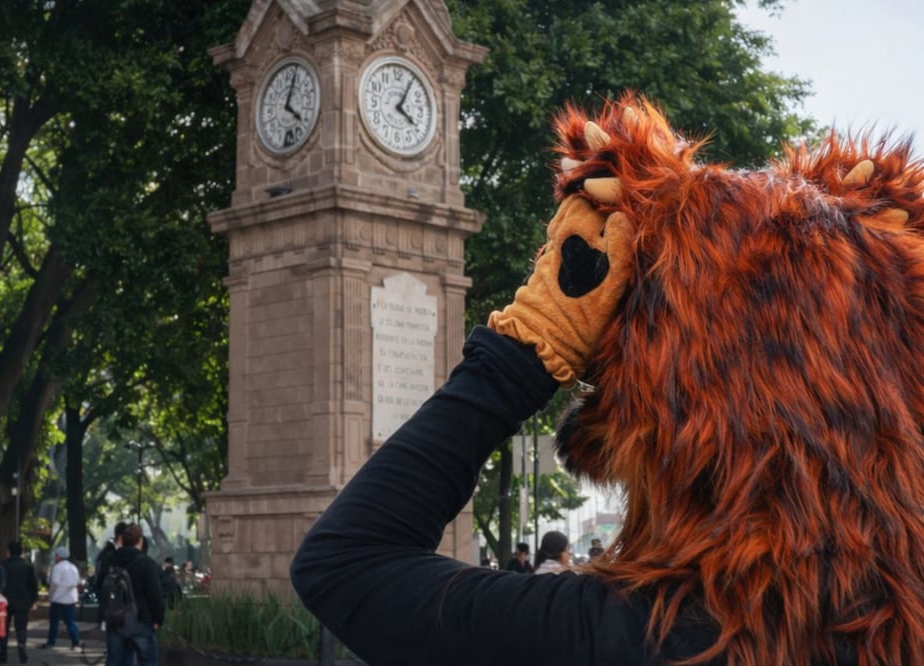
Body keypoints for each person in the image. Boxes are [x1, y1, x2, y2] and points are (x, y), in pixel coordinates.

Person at [291, 97, 924, 664]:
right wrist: (875, 280)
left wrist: (525, 348)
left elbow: (345, 563)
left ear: (662, 415)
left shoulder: (629, 634)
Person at [104, 524, 165, 666]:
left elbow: (100, 586)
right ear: (140, 541)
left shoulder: (110, 560)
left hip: (115, 619)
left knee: (115, 660)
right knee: (148, 660)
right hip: (140, 619)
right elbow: (155, 594)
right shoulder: (146, 563)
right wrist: (158, 619)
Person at [0, 540, 38, 664]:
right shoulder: (27, 565)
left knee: (3, 628)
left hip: (5, 601)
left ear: (9, 551)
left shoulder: (2, 565)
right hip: (23, 601)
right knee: (21, 628)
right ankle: (21, 646)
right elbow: (33, 585)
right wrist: (33, 600)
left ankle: (3, 654)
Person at [40, 546, 80, 650]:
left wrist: (51, 596)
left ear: (59, 556)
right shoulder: (73, 567)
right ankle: (75, 643)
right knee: (70, 622)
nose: (55, 557)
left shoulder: (57, 567)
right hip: (71, 599)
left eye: (56, 555)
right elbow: (78, 582)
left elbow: (54, 583)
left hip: (58, 598)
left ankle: (51, 642)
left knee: (54, 622)